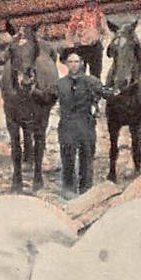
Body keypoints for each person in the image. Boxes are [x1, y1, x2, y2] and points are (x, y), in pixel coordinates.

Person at [57, 54, 110, 196]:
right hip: (67, 126)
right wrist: (32, 90)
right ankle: (68, 189)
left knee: (86, 158)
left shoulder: (92, 81)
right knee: (67, 158)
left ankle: (86, 189)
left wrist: (116, 91)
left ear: (81, 63)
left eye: (76, 61)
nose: (73, 64)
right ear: (66, 65)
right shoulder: (60, 84)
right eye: (70, 62)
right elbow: (46, 98)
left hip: (86, 125)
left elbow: (106, 93)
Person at [63, 0, 109, 79]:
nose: (90, 5)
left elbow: (105, 32)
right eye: (88, 3)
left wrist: (102, 44)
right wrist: (70, 45)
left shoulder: (99, 16)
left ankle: (95, 89)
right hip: (81, 48)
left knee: (96, 73)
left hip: (94, 47)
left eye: (92, 3)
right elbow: (70, 31)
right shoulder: (79, 15)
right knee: (78, 72)